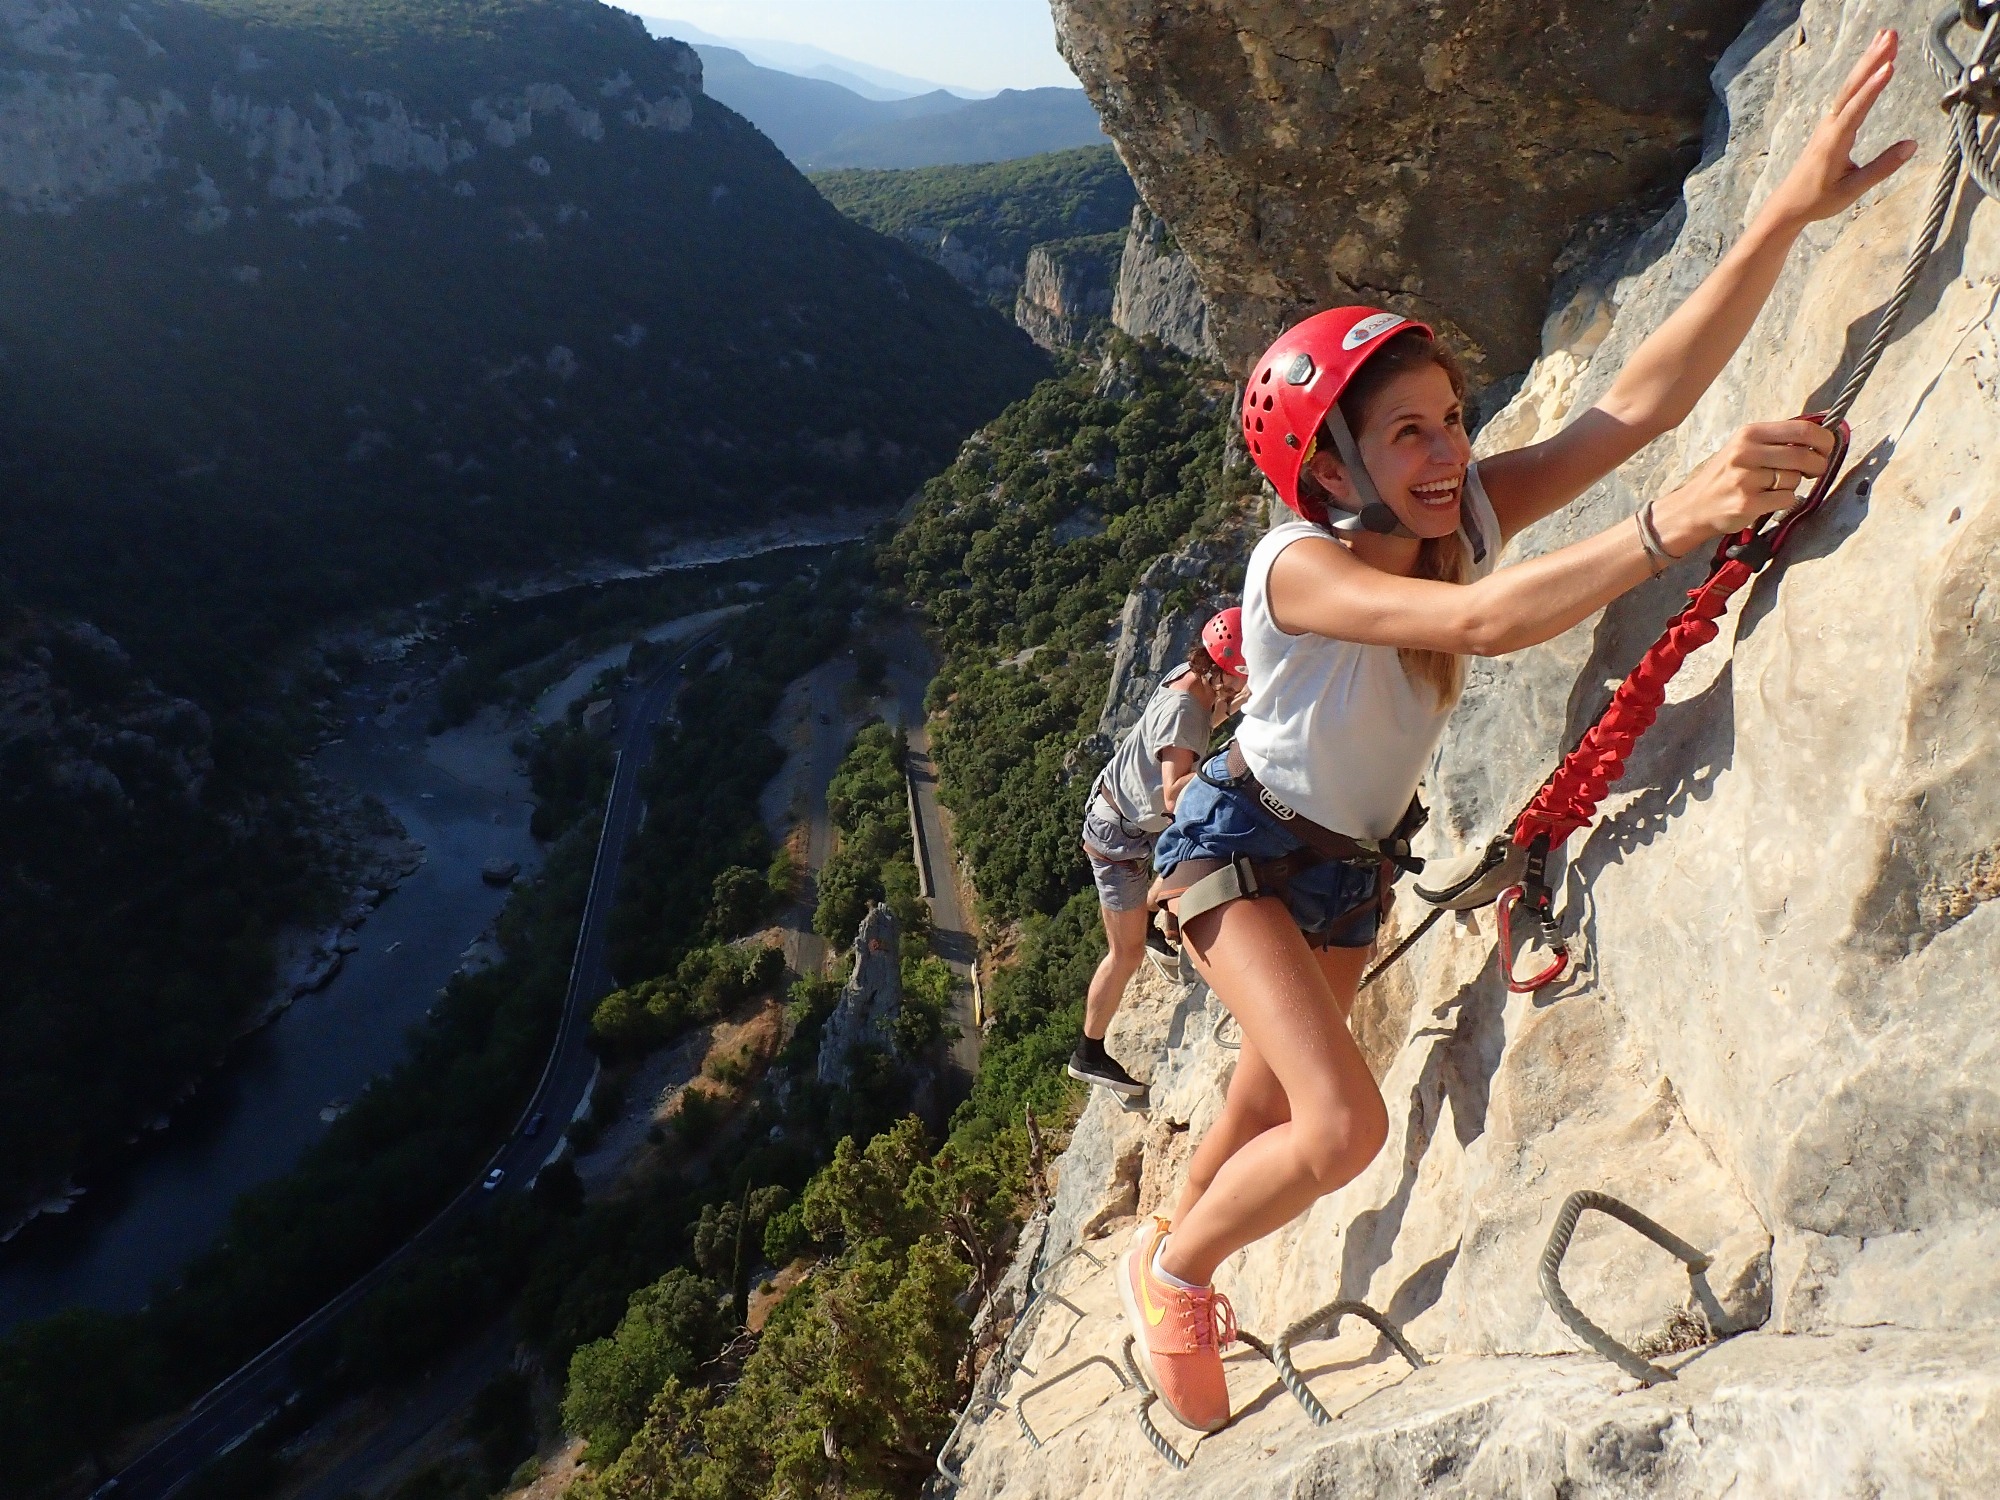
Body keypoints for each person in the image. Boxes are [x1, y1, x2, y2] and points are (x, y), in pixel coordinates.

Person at [1117, 31, 1916, 1433]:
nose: (1448, 454)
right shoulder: (1297, 569)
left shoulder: (1451, 518)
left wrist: (1783, 214)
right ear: (1329, 467)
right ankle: (1177, 1274)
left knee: (1260, 1105)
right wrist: (1674, 521)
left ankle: (1174, 1249)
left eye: (1449, 420)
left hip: (1339, 864)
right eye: (1408, 436)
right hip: (1234, 852)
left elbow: (1636, 402)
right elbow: (1483, 626)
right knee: (1339, 1125)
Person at [1067, 610, 1250, 1096]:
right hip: (1117, 837)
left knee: (1170, 871)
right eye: (1243, 674)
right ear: (1225, 670)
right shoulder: (1185, 710)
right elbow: (1173, 794)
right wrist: (1231, 764)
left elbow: (1201, 723)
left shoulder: (1190, 675)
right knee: (1123, 954)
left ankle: (1147, 921)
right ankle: (1088, 1053)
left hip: (1128, 815)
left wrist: (1243, 701)